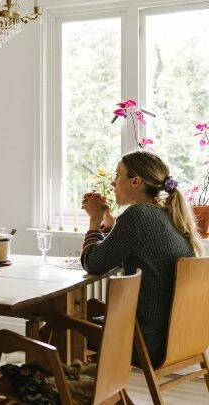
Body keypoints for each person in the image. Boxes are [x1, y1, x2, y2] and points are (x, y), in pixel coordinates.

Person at [80, 150, 204, 366]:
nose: (112, 182)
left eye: (117, 175)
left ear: (135, 181)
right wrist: (109, 224)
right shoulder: (167, 216)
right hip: (179, 340)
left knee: (57, 326)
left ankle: (67, 393)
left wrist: (94, 221)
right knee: (86, 308)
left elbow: (93, 263)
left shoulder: (138, 216)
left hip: (145, 343)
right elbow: (129, 251)